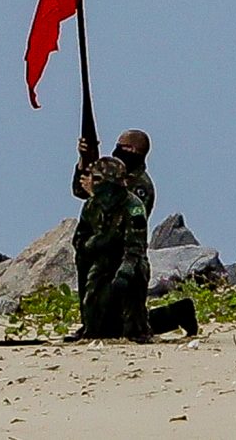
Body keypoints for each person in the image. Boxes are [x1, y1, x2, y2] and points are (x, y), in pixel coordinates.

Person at [71, 129, 198, 339]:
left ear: (134, 151)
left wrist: (97, 194)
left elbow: (126, 226)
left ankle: (178, 313)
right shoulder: (109, 174)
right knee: (104, 321)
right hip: (100, 254)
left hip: (124, 256)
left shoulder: (141, 187)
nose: (117, 150)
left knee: (130, 325)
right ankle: (90, 326)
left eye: (123, 147)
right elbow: (79, 191)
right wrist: (84, 160)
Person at [72, 156, 153, 341]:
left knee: (134, 288)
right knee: (93, 300)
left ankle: (138, 330)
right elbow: (80, 237)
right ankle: (90, 327)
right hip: (103, 259)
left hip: (128, 260)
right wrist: (92, 245)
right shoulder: (92, 205)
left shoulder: (133, 207)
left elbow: (136, 245)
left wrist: (124, 272)